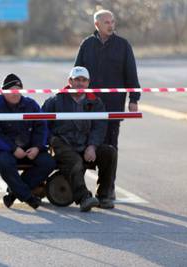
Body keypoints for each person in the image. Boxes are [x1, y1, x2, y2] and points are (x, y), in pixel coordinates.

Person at [74, 9, 141, 199]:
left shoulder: (123, 45)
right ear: (97, 25)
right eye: (106, 22)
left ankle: (106, 188)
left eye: (112, 22)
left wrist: (134, 98)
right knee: (86, 145)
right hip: (89, 106)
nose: (111, 25)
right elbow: (77, 72)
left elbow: (131, 73)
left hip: (112, 105)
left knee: (110, 147)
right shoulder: (87, 45)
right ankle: (79, 187)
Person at [42, 67, 117, 212]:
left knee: (109, 152)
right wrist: (51, 140)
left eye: (83, 80)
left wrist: (92, 146)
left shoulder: (95, 102)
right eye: (77, 80)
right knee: (74, 161)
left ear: (88, 83)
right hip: (63, 145)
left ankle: (104, 196)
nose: (80, 83)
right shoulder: (56, 100)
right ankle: (84, 198)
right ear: (70, 81)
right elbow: (42, 123)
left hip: (85, 145)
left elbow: (100, 126)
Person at [0, 74, 56, 209]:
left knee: (48, 162)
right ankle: (28, 197)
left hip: (28, 148)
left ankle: (13, 193)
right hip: (2, 149)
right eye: (11, 90)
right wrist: (13, 149)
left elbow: (42, 126)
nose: (15, 93)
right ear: (3, 91)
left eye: (18, 89)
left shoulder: (31, 105)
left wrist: (37, 147)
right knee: (5, 162)